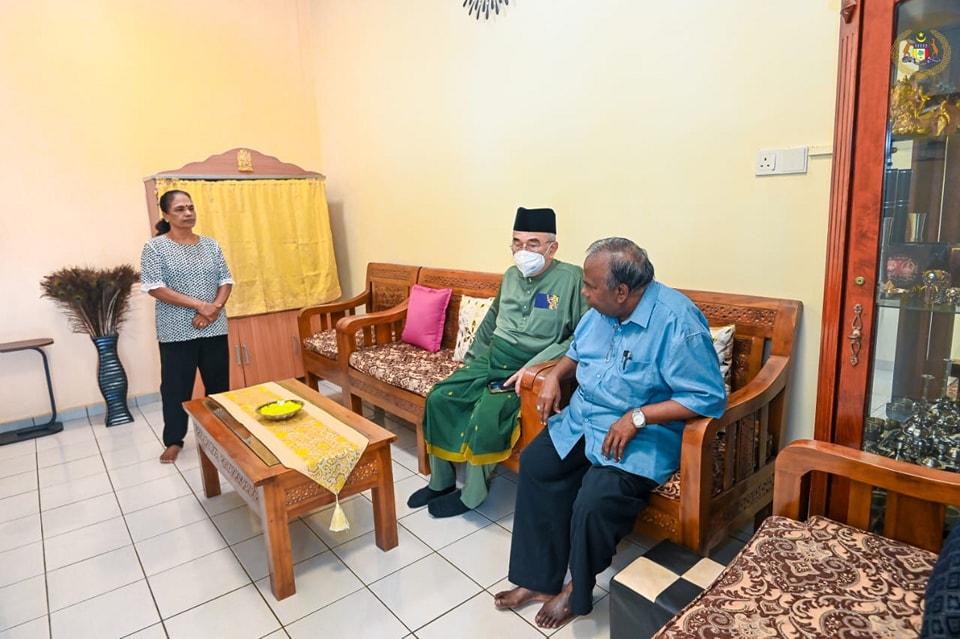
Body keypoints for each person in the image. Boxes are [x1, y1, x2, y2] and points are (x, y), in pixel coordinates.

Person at [494, 237, 727, 628]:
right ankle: (538, 580)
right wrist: (555, 374)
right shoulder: (602, 311)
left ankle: (576, 590)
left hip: (640, 435)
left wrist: (638, 417)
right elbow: (578, 348)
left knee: (594, 501)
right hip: (585, 418)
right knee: (537, 462)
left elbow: (707, 397)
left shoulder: (676, 321)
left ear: (622, 291)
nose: (583, 293)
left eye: (590, 286)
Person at [407, 207, 588, 518]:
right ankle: (441, 482)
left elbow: (581, 336)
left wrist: (536, 366)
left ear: (552, 247)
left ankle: (473, 495)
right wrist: (471, 362)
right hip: (493, 356)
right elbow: (492, 321)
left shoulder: (572, 279)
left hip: (531, 366)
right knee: (440, 397)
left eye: (533, 244)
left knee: (487, 414)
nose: (523, 251)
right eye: (517, 243)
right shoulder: (510, 275)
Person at [140, 190, 234, 464]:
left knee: (218, 385)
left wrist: (212, 310)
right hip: (175, 331)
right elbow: (155, 288)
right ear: (167, 215)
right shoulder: (155, 248)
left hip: (214, 326)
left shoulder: (211, 245)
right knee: (175, 389)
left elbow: (226, 281)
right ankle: (173, 440)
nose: (188, 213)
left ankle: (221, 432)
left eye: (190, 207)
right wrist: (200, 306)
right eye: (180, 209)